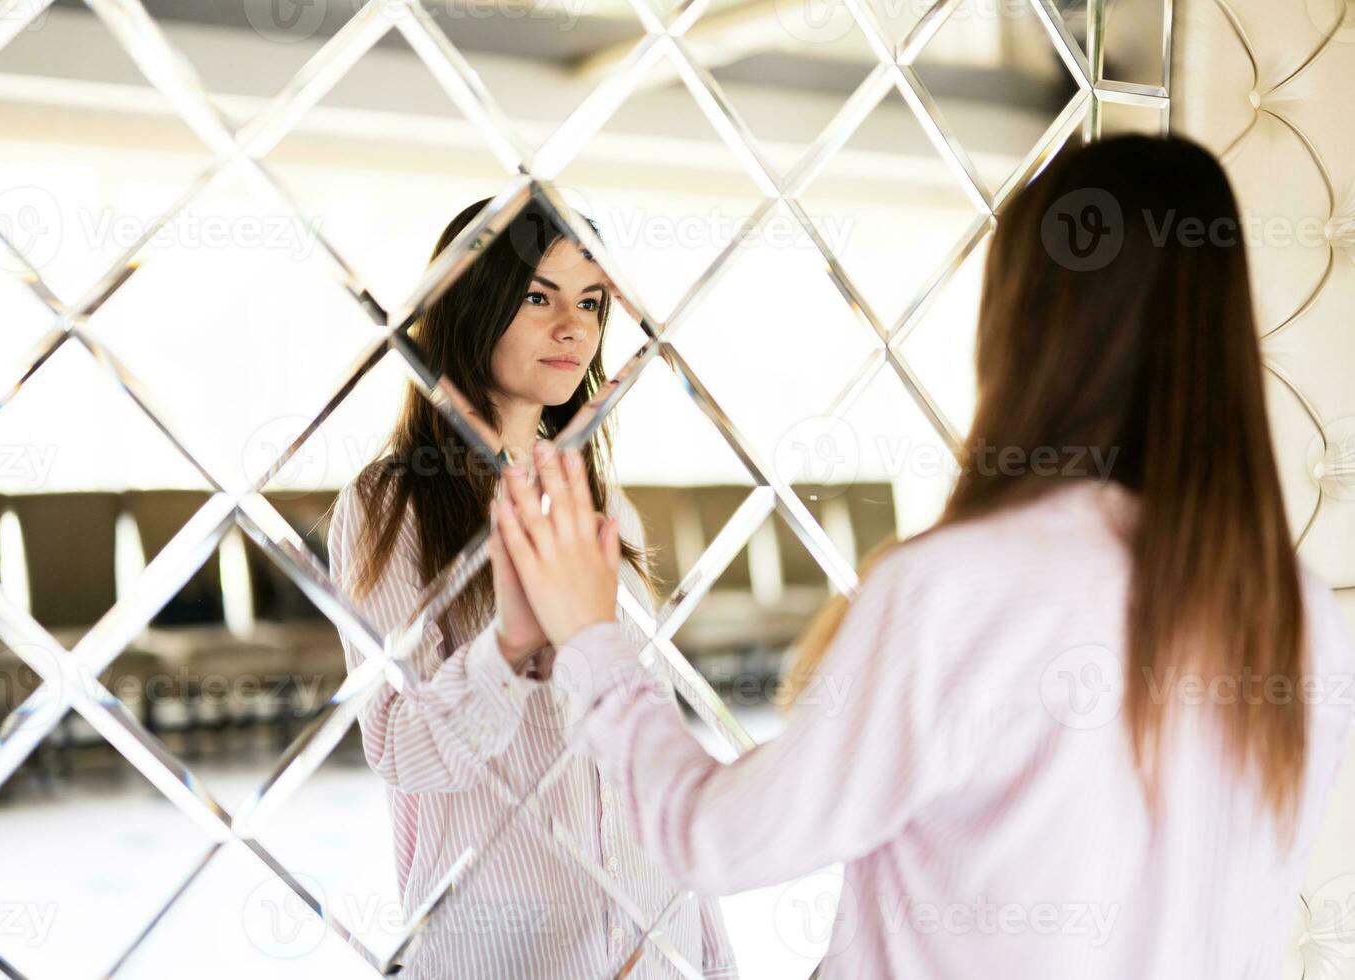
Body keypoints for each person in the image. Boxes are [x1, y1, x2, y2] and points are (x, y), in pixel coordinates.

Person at [491, 135, 1355, 977]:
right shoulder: (1306, 617)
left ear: (1025, 327)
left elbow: (712, 839)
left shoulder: (966, 588)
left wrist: (590, 639)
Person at [326, 196, 737, 978]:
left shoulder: (603, 501)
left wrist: (702, 949)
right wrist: (511, 645)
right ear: (470, 305)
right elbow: (399, 749)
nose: (574, 327)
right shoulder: (393, 501)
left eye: (589, 302)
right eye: (538, 296)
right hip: (507, 951)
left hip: (655, 939)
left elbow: (641, 736)